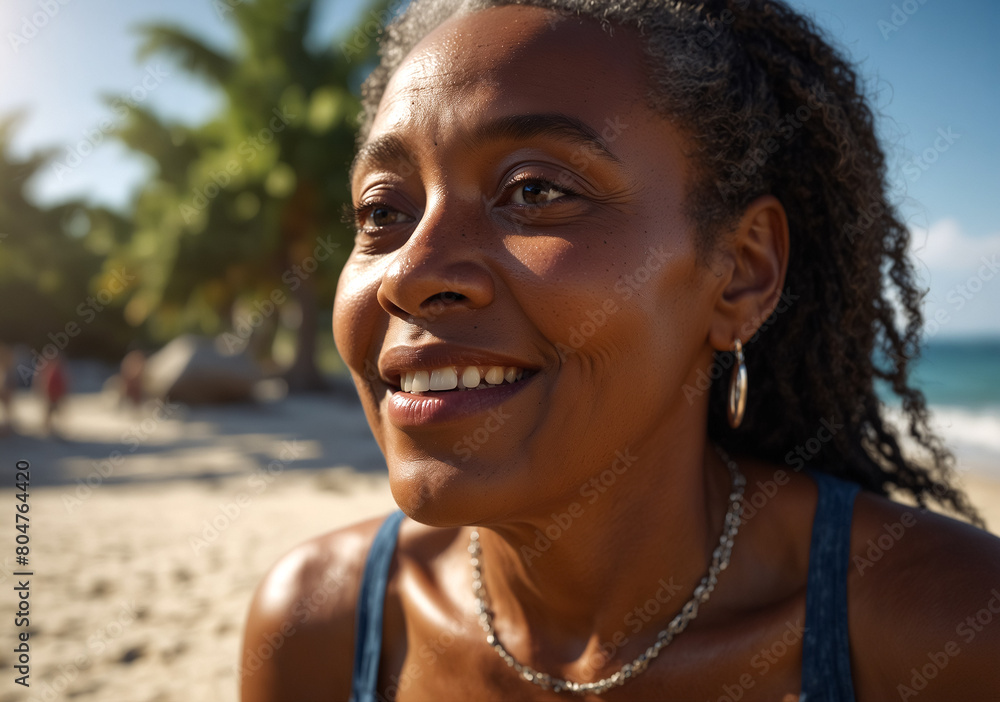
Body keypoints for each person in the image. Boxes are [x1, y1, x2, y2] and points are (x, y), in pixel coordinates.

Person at [241, 1, 1000, 699]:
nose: (410, 272)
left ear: (741, 273)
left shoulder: (950, 632)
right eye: (382, 211)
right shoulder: (319, 627)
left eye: (535, 190)